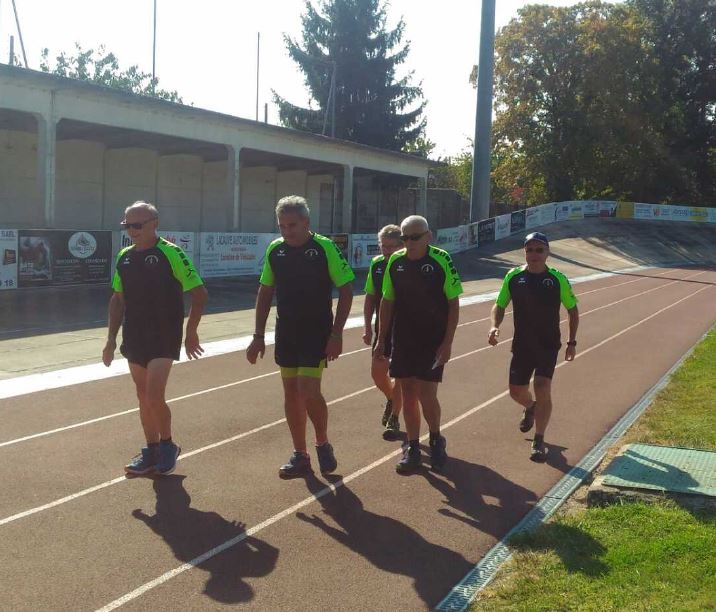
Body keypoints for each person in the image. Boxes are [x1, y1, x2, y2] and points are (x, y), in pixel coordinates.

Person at [246, 196, 354, 478]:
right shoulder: (275, 250)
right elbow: (265, 291)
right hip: (287, 330)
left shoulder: (324, 248)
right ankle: (300, 454)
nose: (287, 231)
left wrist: (337, 333)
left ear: (306, 222)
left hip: (316, 330)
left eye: (292, 225)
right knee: (291, 393)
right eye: (281, 226)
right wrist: (258, 335)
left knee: (308, 391)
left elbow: (346, 289)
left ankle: (322, 442)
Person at [103, 201, 208, 476]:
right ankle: (150, 451)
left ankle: (167, 445)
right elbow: (117, 299)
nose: (132, 231)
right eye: (127, 225)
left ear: (154, 224)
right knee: (142, 396)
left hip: (164, 335)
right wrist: (110, 339)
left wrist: (191, 331)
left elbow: (199, 294)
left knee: (153, 394)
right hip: (135, 335)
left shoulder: (171, 253)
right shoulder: (124, 256)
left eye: (137, 225)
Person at [375, 215, 462, 473]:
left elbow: (453, 303)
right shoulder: (395, 262)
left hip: (432, 339)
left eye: (415, 237)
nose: (409, 243)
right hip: (403, 337)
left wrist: (447, 343)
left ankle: (435, 438)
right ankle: (412, 447)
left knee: (427, 394)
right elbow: (387, 301)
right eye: (405, 238)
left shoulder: (441, 260)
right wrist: (382, 338)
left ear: (428, 236)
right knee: (408, 393)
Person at [488, 231, 579, 461]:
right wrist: (494, 326)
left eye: (539, 250)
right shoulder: (513, 277)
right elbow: (499, 305)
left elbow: (572, 310)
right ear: (524, 252)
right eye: (530, 250)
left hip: (548, 344)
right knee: (516, 391)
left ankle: (539, 439)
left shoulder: (557, 278)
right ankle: (531, 407)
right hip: (522, 344)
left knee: (542, 386)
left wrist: (571, 342)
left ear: (547, 252)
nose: (534, 254)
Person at [362, 224, 404, 440]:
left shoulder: (408, 263)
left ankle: (394, 417)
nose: (386, 251)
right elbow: (370, 297)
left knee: (399, 375)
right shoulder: (376, 264)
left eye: (390, 246)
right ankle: (391, 398)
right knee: (378, 373)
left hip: (406, 329)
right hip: (383, 328)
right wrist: (367, 326)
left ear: (402, 245)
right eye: (383, 246)